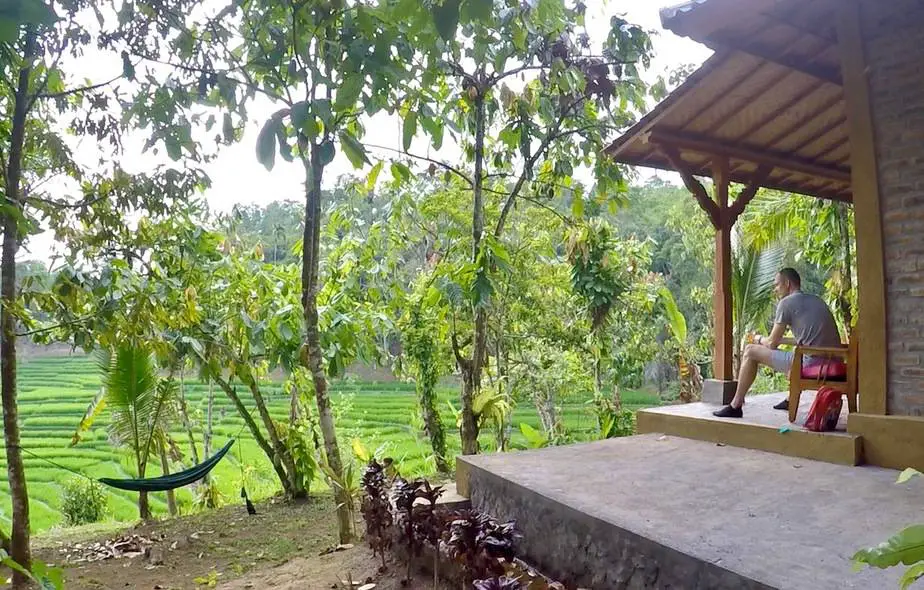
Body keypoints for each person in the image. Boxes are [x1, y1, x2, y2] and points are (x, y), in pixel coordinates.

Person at [712, 268, 842, 418]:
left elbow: (771, 344)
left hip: (811, 364)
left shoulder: (786, 303)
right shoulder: (817, 300)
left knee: (750, 351)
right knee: (794, 353)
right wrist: (780, 340)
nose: (775, 289)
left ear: (787, 284)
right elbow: (808, 340)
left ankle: (735, 405)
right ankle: (789, 399)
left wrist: (757, 338)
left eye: (777, 285)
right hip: (833, 359)